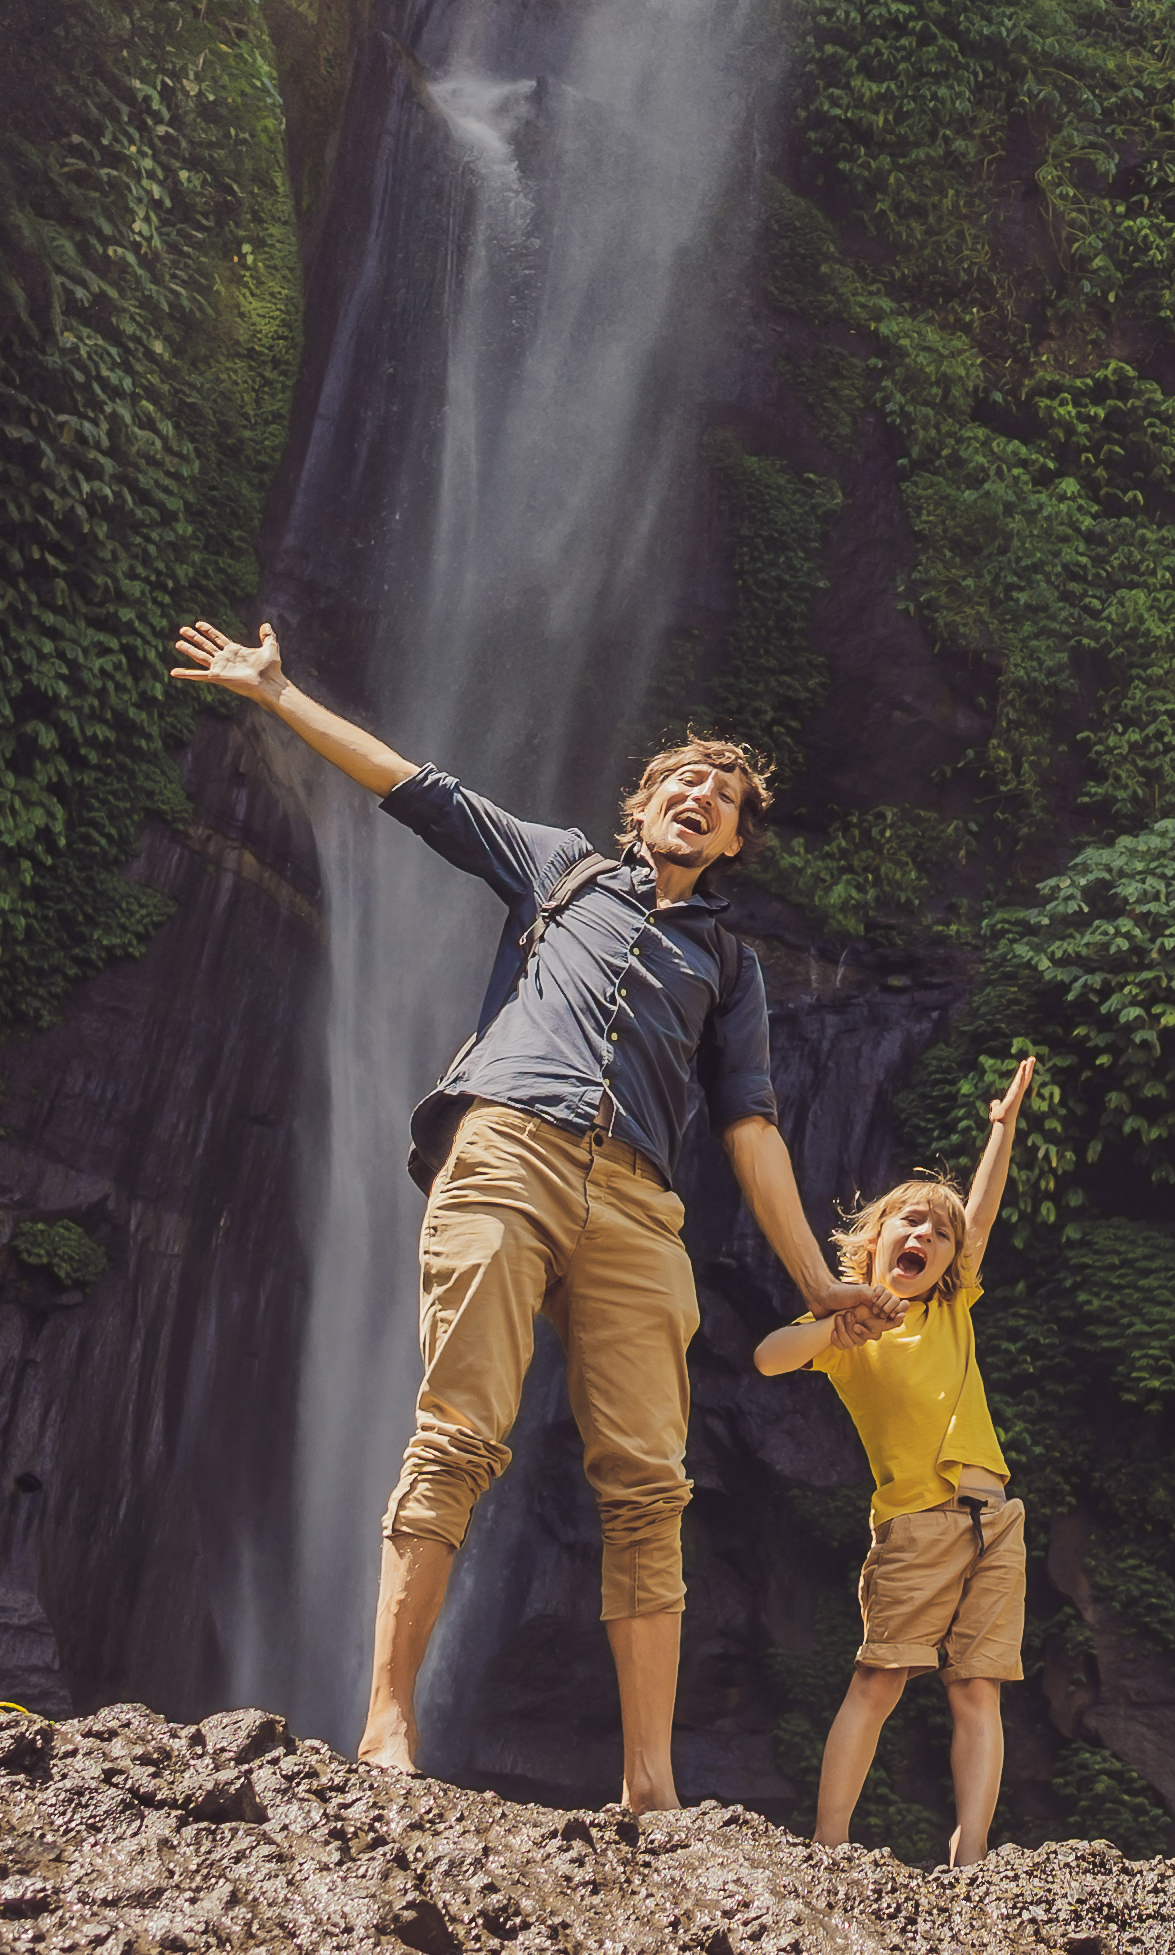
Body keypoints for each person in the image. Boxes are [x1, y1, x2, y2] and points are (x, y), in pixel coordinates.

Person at [168, 617, 889, 1813]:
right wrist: (279, 694)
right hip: (509, 1141)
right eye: (681, 779)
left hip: (641, 1208)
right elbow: (417, 788)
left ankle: (649, 1785)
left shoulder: (732, 971)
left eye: (722, 794)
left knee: (651, 1481)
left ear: (735, 841)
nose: (700, 794)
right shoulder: (558, 868)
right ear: (643, 805)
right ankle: (388, 1722)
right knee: (458, 1429)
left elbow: (751, 1129)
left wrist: (820, 1281)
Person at [759, 1050, 1038, 1866]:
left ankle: (973, 1855)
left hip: (997, 1522)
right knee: (879, 1681)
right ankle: (829, 1842)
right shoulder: (852, 1338)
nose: (928, 1233)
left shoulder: (952, 1311)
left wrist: (1002, 1127)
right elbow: (770, 1357)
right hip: (915, 1526)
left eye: (940, 1232)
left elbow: (980, 1214)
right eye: (910, 1223)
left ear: (952, 1262)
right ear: (874, 1243)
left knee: (978, 1687)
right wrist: (837, 1323)